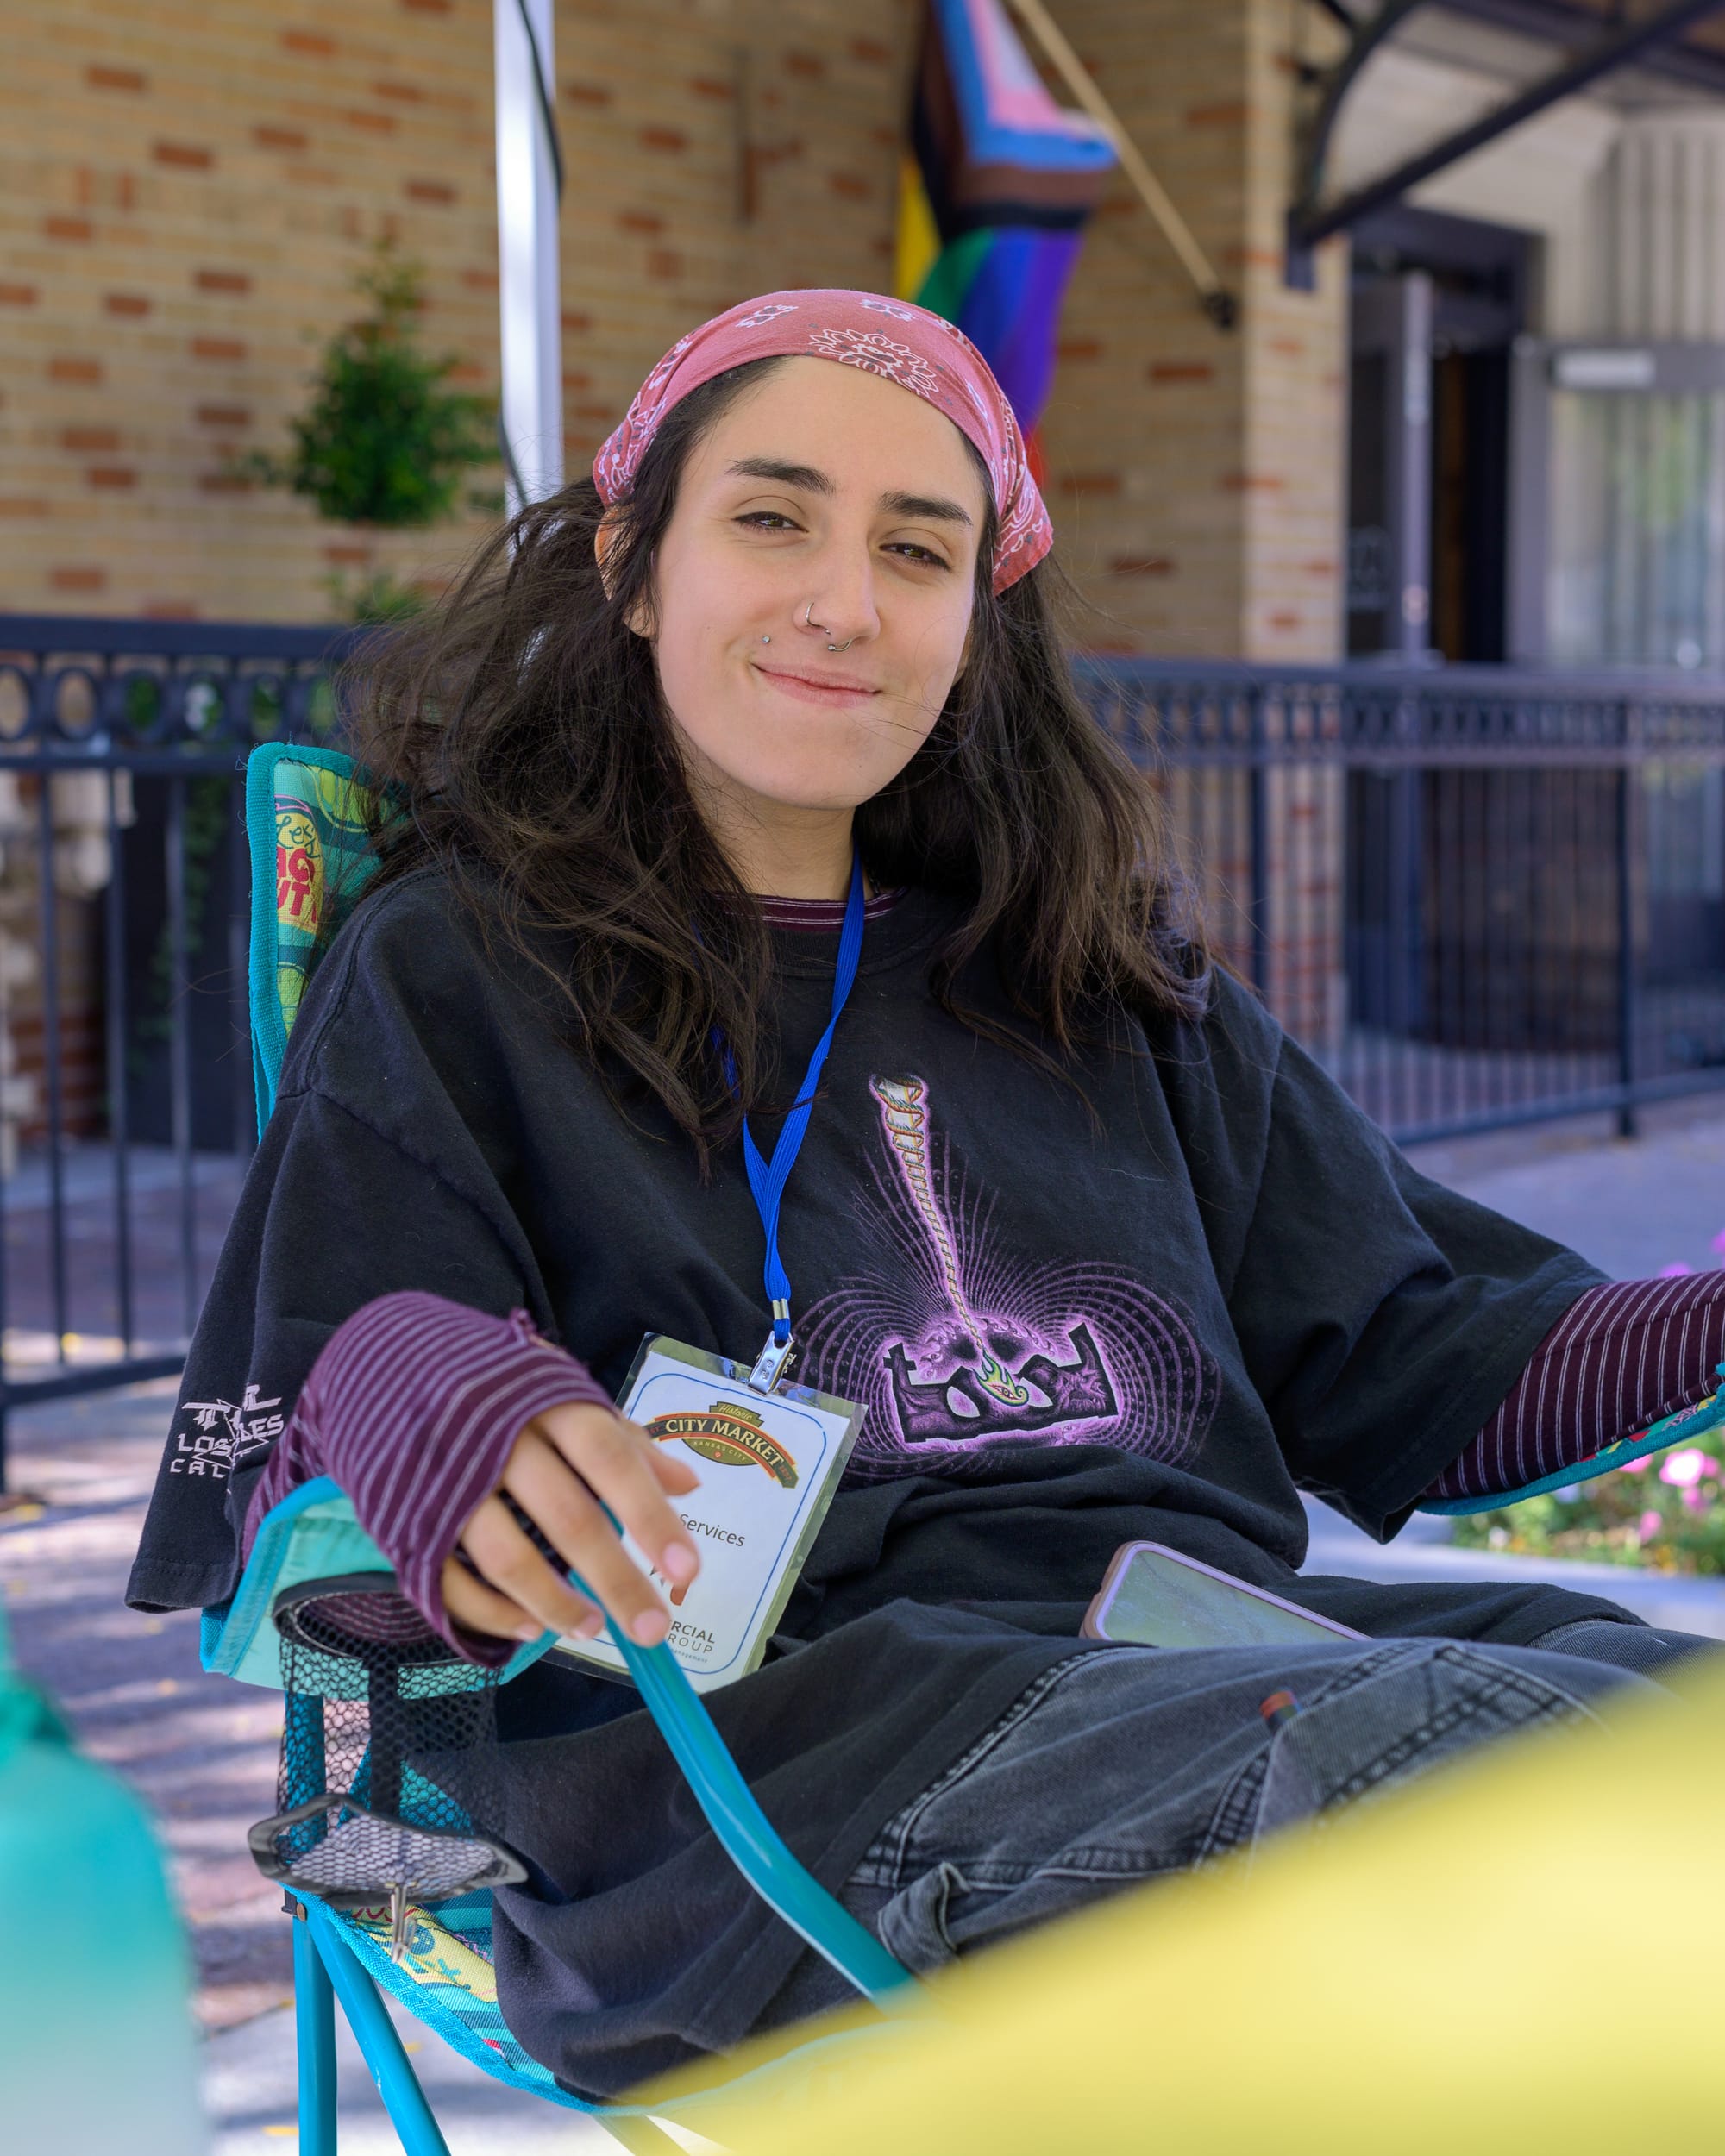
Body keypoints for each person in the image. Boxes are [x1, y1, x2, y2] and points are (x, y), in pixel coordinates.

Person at [129, 291, 1723, 2098]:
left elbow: (1421, 1343)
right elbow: (340, 1353)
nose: (841, 599)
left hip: (1187, 1663)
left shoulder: (1091, 975)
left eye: (916, 546)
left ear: (976, 620)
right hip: (757, 1783)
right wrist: (444, 1394)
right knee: (1484, 1774)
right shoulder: (464, 959)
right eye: (771, 517)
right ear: (635, 567)